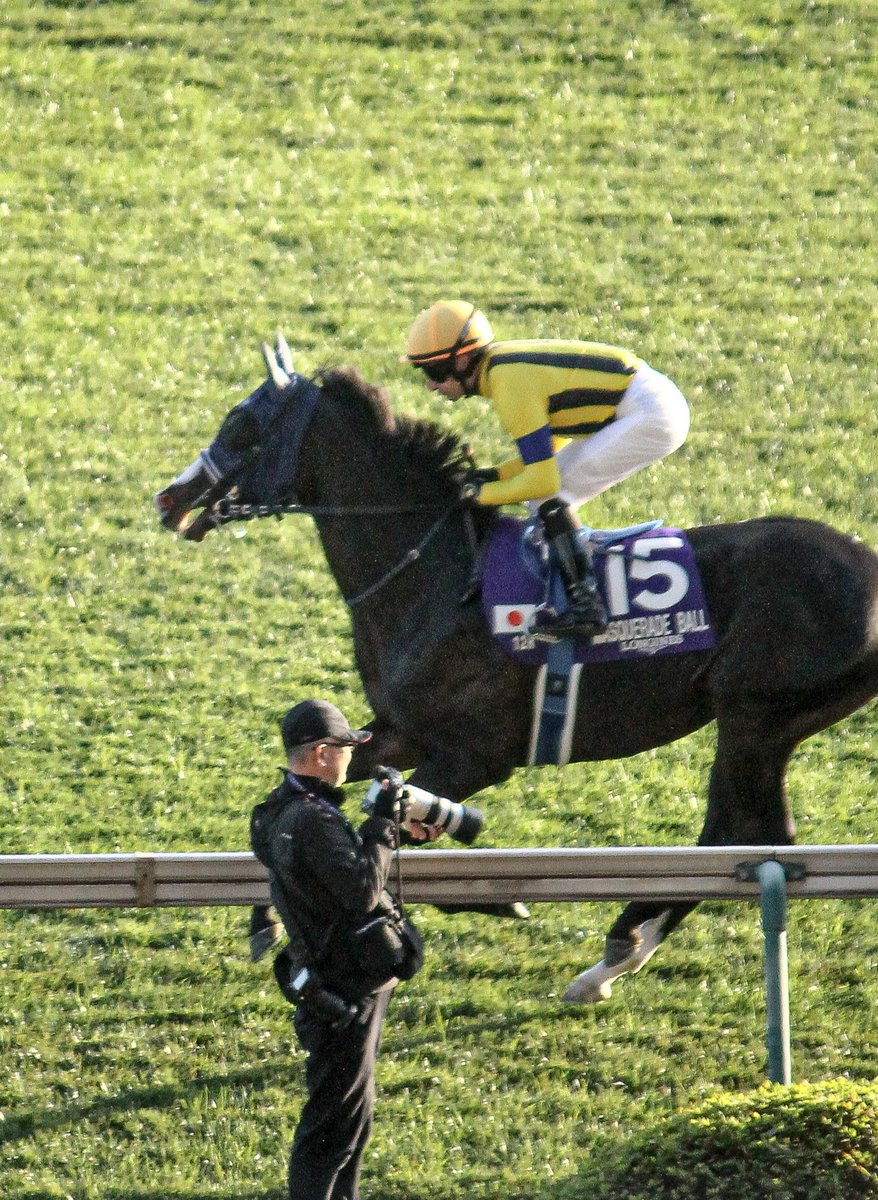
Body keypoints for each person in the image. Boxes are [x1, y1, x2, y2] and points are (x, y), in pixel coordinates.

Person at [404, 300, 691, 636]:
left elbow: (542, 479)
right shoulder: (502, 370)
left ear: (463, 360)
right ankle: (577, 593)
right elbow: (545, 452)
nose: (430, 385)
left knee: (549, 497)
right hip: (645, 402)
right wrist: (495, 476)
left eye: (434, 372)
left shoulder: (507, 383)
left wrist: (482, 495)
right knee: (544, 497)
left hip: (650, 414)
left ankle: (586, 607)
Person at [250, 699, 442, 1200]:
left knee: (350, 1126)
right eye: (343, 749)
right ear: (319, 753)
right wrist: (380, 823)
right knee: (332, 1132)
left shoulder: (275, 811)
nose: (350, 759)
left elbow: (328, 878)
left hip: (327, 980)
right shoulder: (314, 819)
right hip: (346, 987)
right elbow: (359, 893)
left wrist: (391, 832)